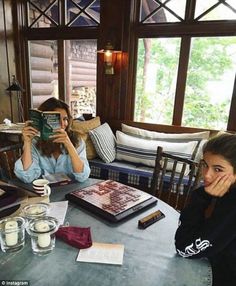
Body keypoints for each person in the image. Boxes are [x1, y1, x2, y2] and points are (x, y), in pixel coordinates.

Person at [175, 133, 236, 286]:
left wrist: (201, 197)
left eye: (218, 169)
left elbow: (183, 247)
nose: (207, 175)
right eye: (205, 165)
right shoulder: (227, 194)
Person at [14, 97, 90, 183]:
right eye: (56, 120)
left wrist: (68, 144)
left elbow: (83, 176)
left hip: (70, 189)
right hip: (44, 192)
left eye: (65, 119)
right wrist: (27, 143)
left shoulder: (77, 141)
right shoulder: (35, 142)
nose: (62, 124)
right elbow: (27, 177)